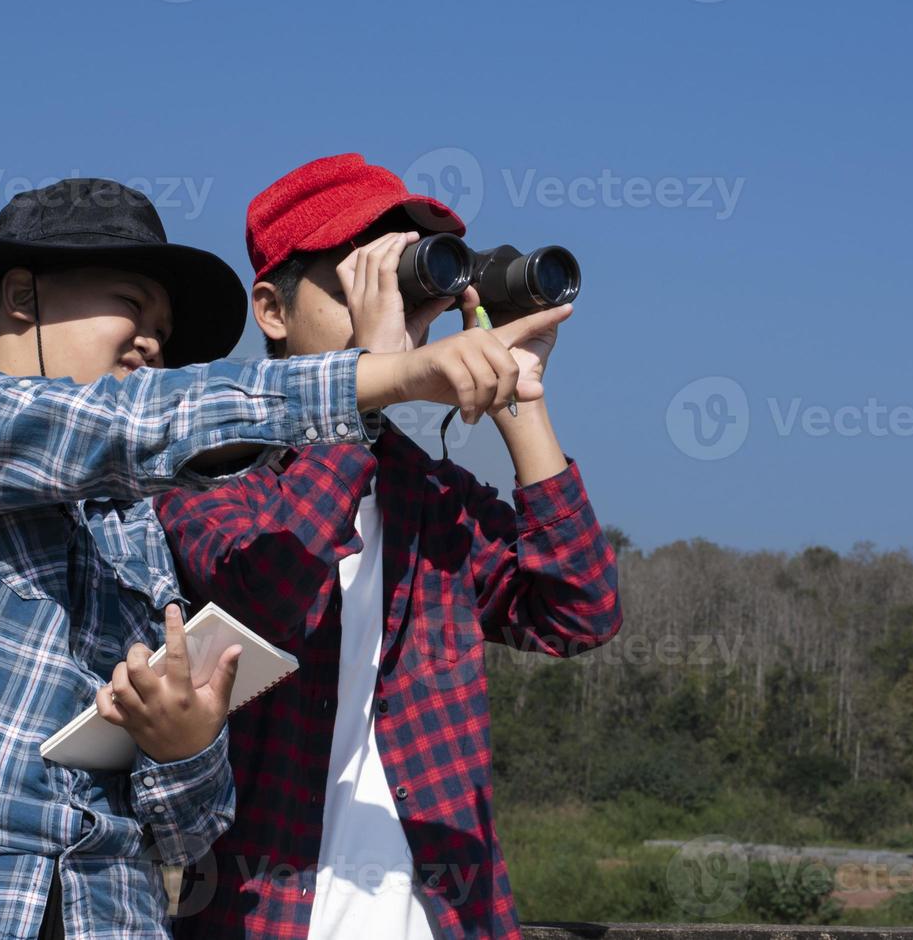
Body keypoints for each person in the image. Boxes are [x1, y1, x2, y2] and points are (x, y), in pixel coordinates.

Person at [0, 177, 546, 940]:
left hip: (100, 916)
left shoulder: (139, 529)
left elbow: (187, 833)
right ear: (21, 296)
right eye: (133, 306)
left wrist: (185, 743)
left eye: (164, 329)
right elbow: (131, 425)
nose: (153, 343)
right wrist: (382, 369)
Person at [157, 154, 623, 940]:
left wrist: (521, 407)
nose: (394, 318)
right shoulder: (208, 473)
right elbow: (270, 600)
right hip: (266, 917)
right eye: (357, 289)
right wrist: (362, 390)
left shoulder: (432, 501)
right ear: (272, 310)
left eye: (407, 291)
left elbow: (578, 614)